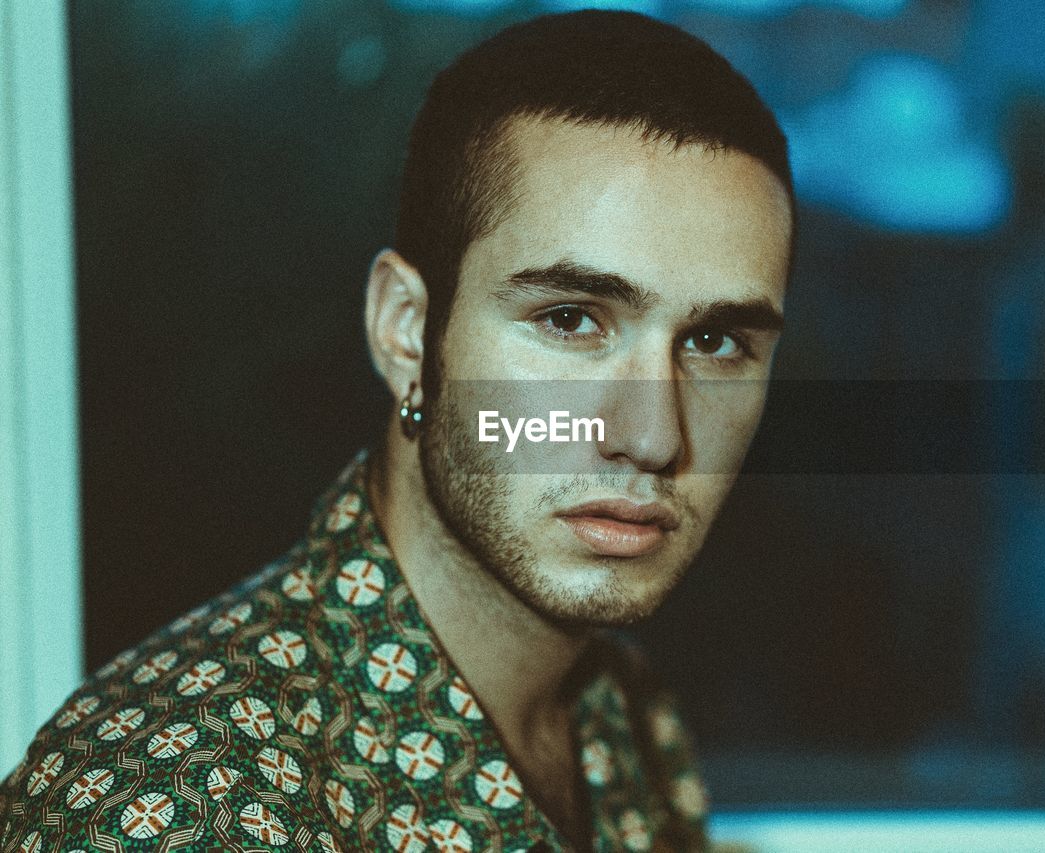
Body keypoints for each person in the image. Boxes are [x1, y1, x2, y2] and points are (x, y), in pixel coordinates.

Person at [0, 10, 792, 852]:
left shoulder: (622, 710)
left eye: (713, 342)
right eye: (569, 319)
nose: (654, 436)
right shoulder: (180, 802)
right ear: (408, 332)